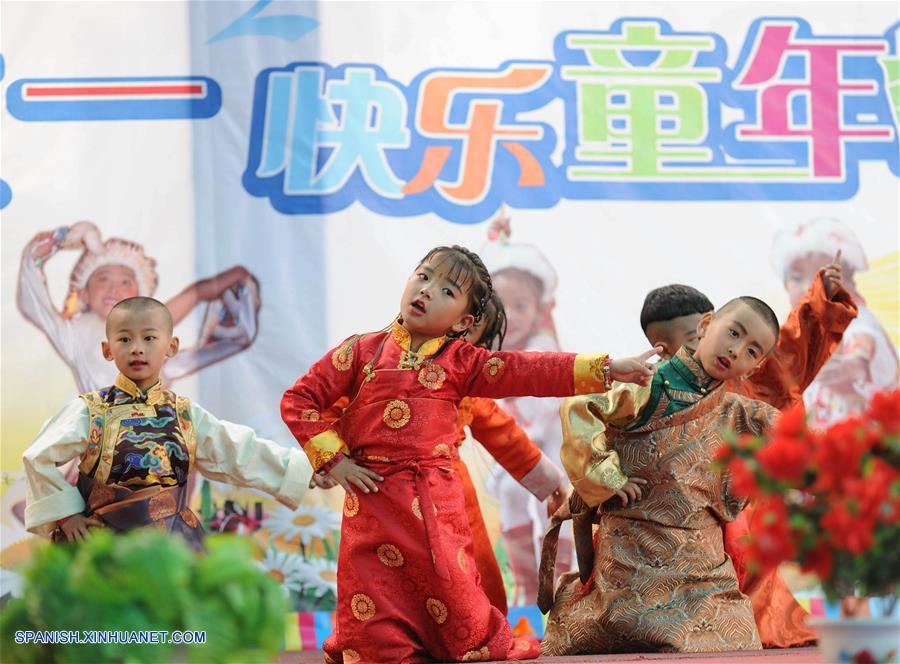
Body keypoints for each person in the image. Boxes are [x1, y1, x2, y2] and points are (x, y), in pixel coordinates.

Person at [281, 245, 657, 663]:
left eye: (446, 290)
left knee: (457, 600)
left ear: (463, 321)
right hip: (373, 506)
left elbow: (528, 371)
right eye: (423, 276)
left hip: (438, 506)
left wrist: (606, 369)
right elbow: (300, 399)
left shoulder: (462, 363)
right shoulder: (359, 352)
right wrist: (335, 460)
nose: (426, 290)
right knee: (372, 608)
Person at [540, 297, 782, 655]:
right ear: (705, 325)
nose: (735, 349)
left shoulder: (740, 414)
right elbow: (579, 406)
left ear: (752, 367)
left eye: (751, 351)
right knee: (605, 630)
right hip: (630, 555)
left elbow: (805, 444)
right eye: (733, 332)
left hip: (702, 568)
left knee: (739, 638)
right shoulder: (647, 384)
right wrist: (607, 479)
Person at [637, 255, 857, 647]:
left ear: (708, 324)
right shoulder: (644, 390)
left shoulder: (750, 384)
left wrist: (822, 298)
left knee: (743, 533)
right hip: (664, 534)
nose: (732, 351)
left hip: (737, 529)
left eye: (693, 338)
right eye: (668, 348)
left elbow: (792, 346)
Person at [22, 297, 311, 551]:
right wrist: (67, 514)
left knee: (180, 612)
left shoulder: (184, 414)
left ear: (171, 346)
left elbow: (237, 451)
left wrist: (307, 469)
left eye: (149, 338)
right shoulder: (90, 411)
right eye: (125, 340)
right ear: (107, 349)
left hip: (173, 548)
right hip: (103, 549)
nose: (137, 349)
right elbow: (38, 457)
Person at [17, 220, 260, 392]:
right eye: (103, 279)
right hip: (106, 443)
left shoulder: (147, 322)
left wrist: (237, 275)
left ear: (139, 295)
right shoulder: (73, 332)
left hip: (156, 437)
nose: (114, 289)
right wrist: (51, 245)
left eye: (125, 282)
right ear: (85, 294)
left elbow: (195, 293)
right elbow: (32, 299)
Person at [479, 212, 573, 604]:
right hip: (513, 446)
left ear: (538, 310)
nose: (512, 316)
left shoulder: (541, 351)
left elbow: (544, 407)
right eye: (502, 306)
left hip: (545, 446)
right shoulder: (485, 355)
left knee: (555, 503)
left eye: (521, 306)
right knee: (514, 499)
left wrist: (522, 442)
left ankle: (563, 582)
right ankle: (525, 585)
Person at [771, 217, 898, 428]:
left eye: (820, 276)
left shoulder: (858, 323)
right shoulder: (796, 330)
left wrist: (853, 366)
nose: (807, 287)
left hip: (860, 442)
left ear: (847, 281)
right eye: (796, 278)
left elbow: (861, 348)